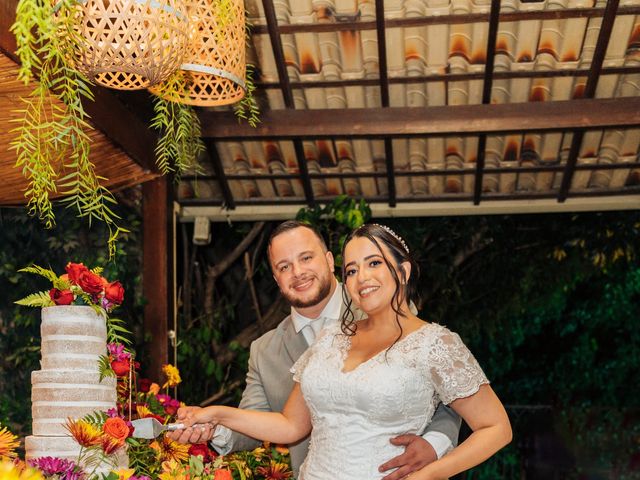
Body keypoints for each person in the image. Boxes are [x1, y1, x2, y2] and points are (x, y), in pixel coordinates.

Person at [173, 223, 512, 480]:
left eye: (374, 263)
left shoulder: (435, 343)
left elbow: (495, 427)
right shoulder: (330, 340)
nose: (362, 276)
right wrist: (215, 413)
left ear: (403, 271)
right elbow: (291, 426)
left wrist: (428, 473)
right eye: (352, 270)